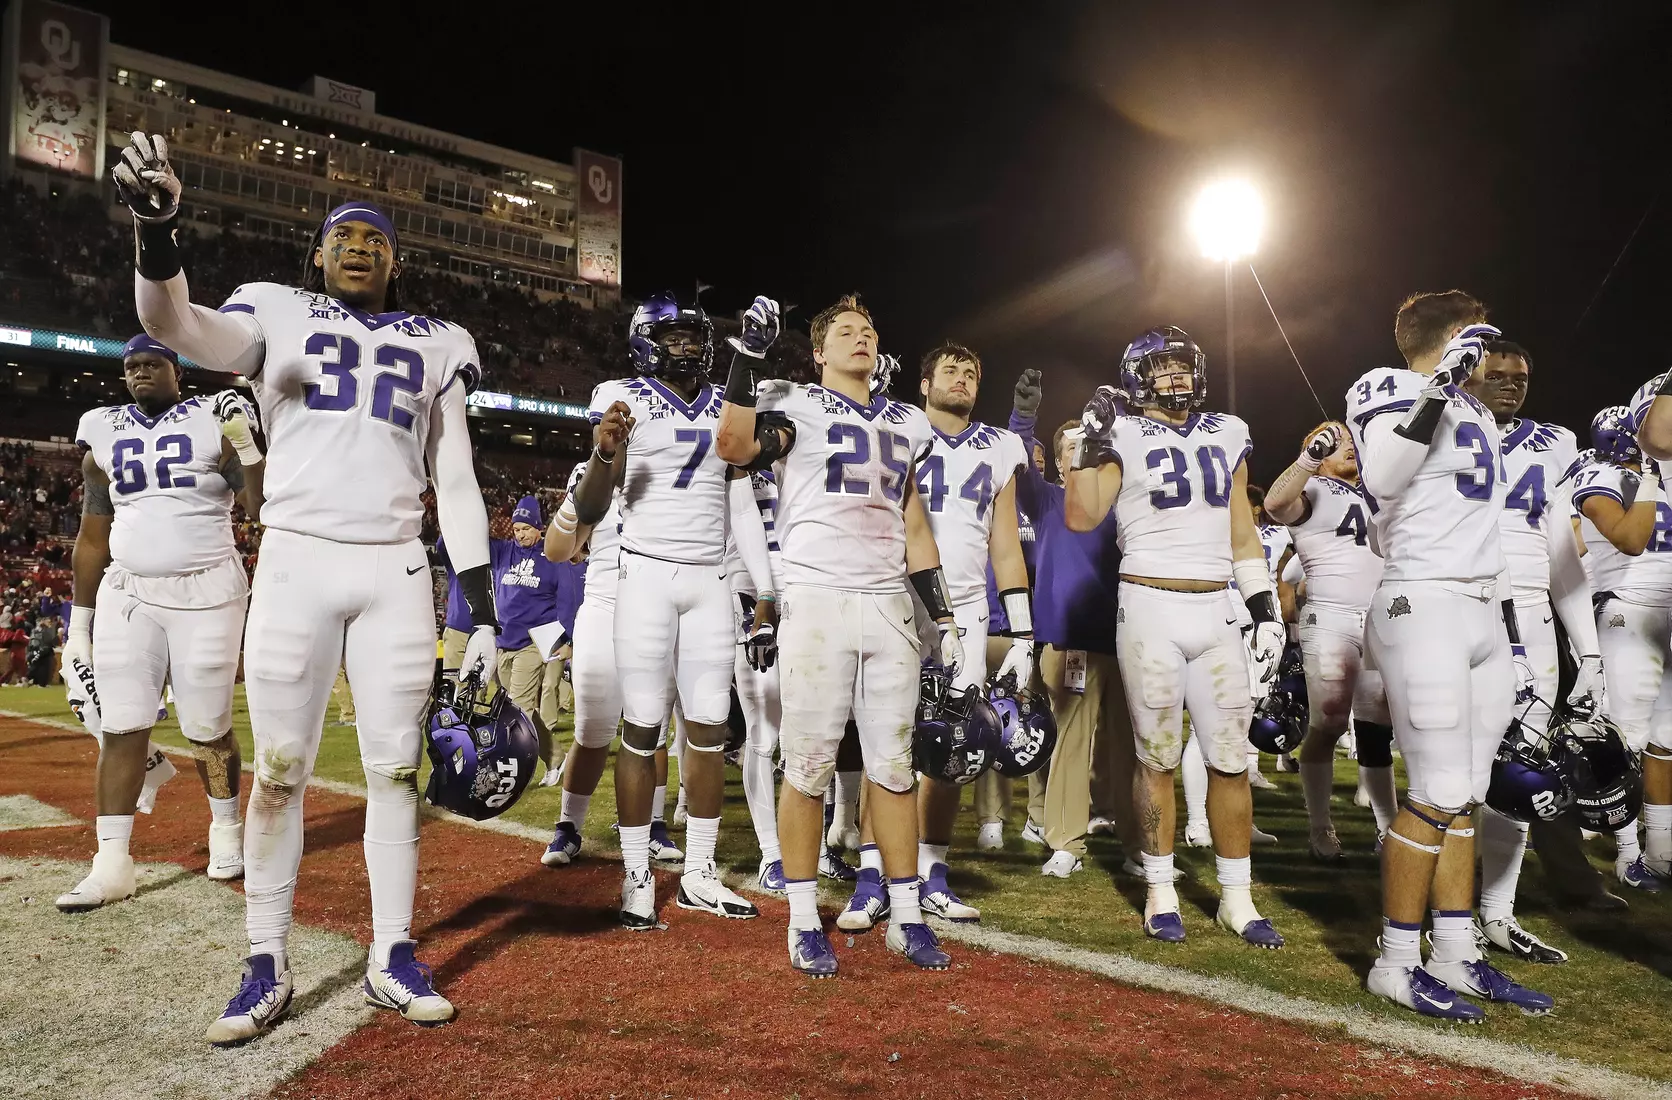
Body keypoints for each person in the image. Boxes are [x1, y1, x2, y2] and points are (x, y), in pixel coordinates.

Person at [117, 132, 498, 1042]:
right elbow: (176, 325)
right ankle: (265, 958)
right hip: (296, 559)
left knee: (394, 773)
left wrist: (480, 608)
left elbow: (454, 480)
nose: (360, 245)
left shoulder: (442, 341)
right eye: (343, 235)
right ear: (318, 255)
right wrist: (156, 232)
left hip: (395, 568)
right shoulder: (275, 309)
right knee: (281, 771)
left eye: (377, 238)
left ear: (397, 261)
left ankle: (392, 953)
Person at [716, 293, 961, 976]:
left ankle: (906, 916)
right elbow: (734, 445)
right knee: (809, 766)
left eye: (869, 330)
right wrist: (746, 358)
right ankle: (802, 918)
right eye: (846, 331)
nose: (862, 338)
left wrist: (943, 618)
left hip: (888, 605)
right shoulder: (794, 403)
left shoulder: (907, 421)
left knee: (894, 767)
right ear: (819, 351)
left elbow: (915, 524)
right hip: (817, 600)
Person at [1345, 291, 1559, 1020]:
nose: (1491, 350)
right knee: (1435, 790)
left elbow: (1487, 532)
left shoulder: (1476, 412)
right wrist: (1437, 384)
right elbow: (1382, 475)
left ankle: (1456, 952)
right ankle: (1396, 962)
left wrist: (1517, 639)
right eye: (1479, 334)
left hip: (1482, 611)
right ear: (1455, 335)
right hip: (1423, 600)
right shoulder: (1388, 384)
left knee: (1467, 791)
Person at [1066, 326, 1283, 948]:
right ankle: (1160, 888)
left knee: (1230, 759)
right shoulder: (1122, 433)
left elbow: (1242, 532)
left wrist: (1264, 609)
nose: (1175, 375)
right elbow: (1082, 515)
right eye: (1160, 367)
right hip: (1150, 605)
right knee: (1157, 756)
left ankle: (1237, 897)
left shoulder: (1229, 430)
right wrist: (1089, 441)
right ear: (1137, 378)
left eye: (1182, 364)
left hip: (1218, 609)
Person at [569, 293, 776, 928]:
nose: (685, 346)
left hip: (710, 577)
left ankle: (700, 872)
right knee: (642, 728)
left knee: (710, 729)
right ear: (644, 341)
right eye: (672, 336)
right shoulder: (621, 395)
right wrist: (605, 452)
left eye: (692, 336)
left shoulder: (725, 404)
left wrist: (766, 589)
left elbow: (741, 503)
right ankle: (636, 872)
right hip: (645, 574)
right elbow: (590, 511)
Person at [55, 335, 264, 912]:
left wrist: (246, 443)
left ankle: (225, 827)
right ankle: (111, 863)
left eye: (152, 364)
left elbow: (258, 508)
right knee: (122, 724)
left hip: (208, 587)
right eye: (131, 367)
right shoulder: (101, 432)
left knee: (207, 724)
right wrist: (79, 625)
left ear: (177, 371)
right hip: (129, 591)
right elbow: (91, 538)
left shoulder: (213, 419)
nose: (140, 374)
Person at [836, 343, 1033, 927]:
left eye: (971, 373)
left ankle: (932, 871)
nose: (963, 379)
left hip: (967, 607)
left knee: (956, 746)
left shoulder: (1001, 445)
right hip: (898, 596)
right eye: (950, 370)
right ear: (924, 384)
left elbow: (1005, 544)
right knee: (886, 742)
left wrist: (1023, 632)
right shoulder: (898, 426)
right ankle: (872, 874)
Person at [1455, 341, 1606, 957]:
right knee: (1455, 775)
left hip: (1532, 617)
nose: (1511, 385)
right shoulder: (1445, 427)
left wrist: (1588, 652)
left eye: (1521, 377)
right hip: (1461, 606)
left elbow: (1561, 554)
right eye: (1497, 374)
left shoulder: (1555, 443)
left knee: (1521, 772)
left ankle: (1498, 913)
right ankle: (1448, 912)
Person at [1006, 371, 1132, 878]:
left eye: (1090, 444)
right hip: (1070, 639)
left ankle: (1140, 846)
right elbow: (1018, 462)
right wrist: (1024, 417)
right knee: (1071, 743)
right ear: (1060, 461)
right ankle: (1065, 840)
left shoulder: (1125, 504)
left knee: (1132, 748)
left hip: (1129, 636)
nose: (1083, 451)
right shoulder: (1048, 501)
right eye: (1073, 447)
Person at [1262, 423, 1396, 860]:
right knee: (1331, 723)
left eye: (1351, 441)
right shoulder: (1313, 487)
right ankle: (1321, 828)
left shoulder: (1376, 490)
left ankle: (1388, 830)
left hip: (1380, 617)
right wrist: (1310, 456)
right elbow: (1275, 504)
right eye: (1336, 444)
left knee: (1377, 727)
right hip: (1331, 616)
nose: (1349, 447)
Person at [540, 457, 684, 867]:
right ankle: (568, 826)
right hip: (604, 603)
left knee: (653, 728)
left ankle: (652, 824)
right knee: (592, 728)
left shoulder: (666, 459)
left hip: (655, 605)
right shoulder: (590, 471)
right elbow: (561, 549)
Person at [1571, 405, 1670, 890]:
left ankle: (1660, 854)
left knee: (1666, 739)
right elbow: (1623, 540)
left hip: (1659, 614)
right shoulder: (1600, 474)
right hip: (1626, 610)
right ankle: (1628, 852)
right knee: (1622, 737)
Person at [490, 494, 566, 783]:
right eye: (516, 529)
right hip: (504, 639)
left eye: (525, 528)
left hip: (534, 641)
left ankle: (510, 773)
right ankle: (555, 757)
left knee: (515, 712)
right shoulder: (503, 551)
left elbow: (567, 599)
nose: (520, 534)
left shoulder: (552, 558)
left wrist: (564, 636)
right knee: (521, 711)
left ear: (539, 528)